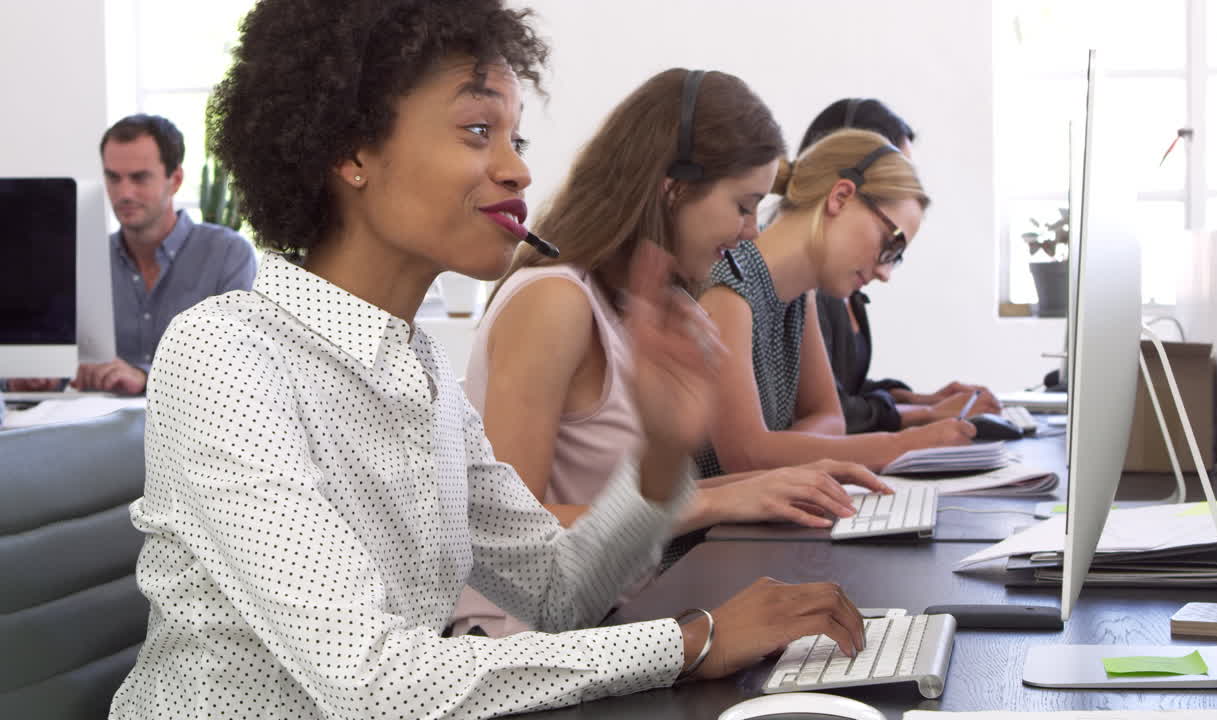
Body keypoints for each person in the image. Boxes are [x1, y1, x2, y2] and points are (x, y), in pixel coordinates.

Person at [108, 3, 865, 718]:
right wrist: (694, 638)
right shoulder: (228, 353)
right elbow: (374, 683)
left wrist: (662, 456)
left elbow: (557, 592)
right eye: (477, 130)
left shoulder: (421, 372)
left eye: (516, 140)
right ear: (351, 150)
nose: (518, 171)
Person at [452, 69, 890, 637]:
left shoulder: (628, 303)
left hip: (603, 624)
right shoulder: (555, 300)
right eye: (743, 204)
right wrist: (715, 503)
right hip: (524, 650)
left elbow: (613, 516)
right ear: (673, 187)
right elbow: (516, 532)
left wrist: (763, 486)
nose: (752, 232)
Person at [694, 128, 977, 479]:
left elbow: (832, 418)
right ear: (840, 197)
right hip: (703, 532)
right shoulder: (728, 285)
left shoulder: (801, 295)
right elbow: (746, 456)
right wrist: (904, 444)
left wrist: (776, 451)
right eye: (891, 245)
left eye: (896, 258)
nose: (885, 273)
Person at [5, 114, 256, 395]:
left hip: (195, 430)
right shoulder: (83, 262)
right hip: (101, 431)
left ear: (175, 180)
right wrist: (41, 379)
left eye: (139, 178)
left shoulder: (229, 255)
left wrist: (144, 376)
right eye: (113, 178)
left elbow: (241, 365)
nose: (124, 193)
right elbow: (58, 359)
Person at [801, 99, 1000, 433]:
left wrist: (923, 400)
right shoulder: (803, 286)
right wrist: (925, 419)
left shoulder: (842, 284)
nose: (905, 185)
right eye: (897, 170)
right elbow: (825, 414)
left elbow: (842, 389)